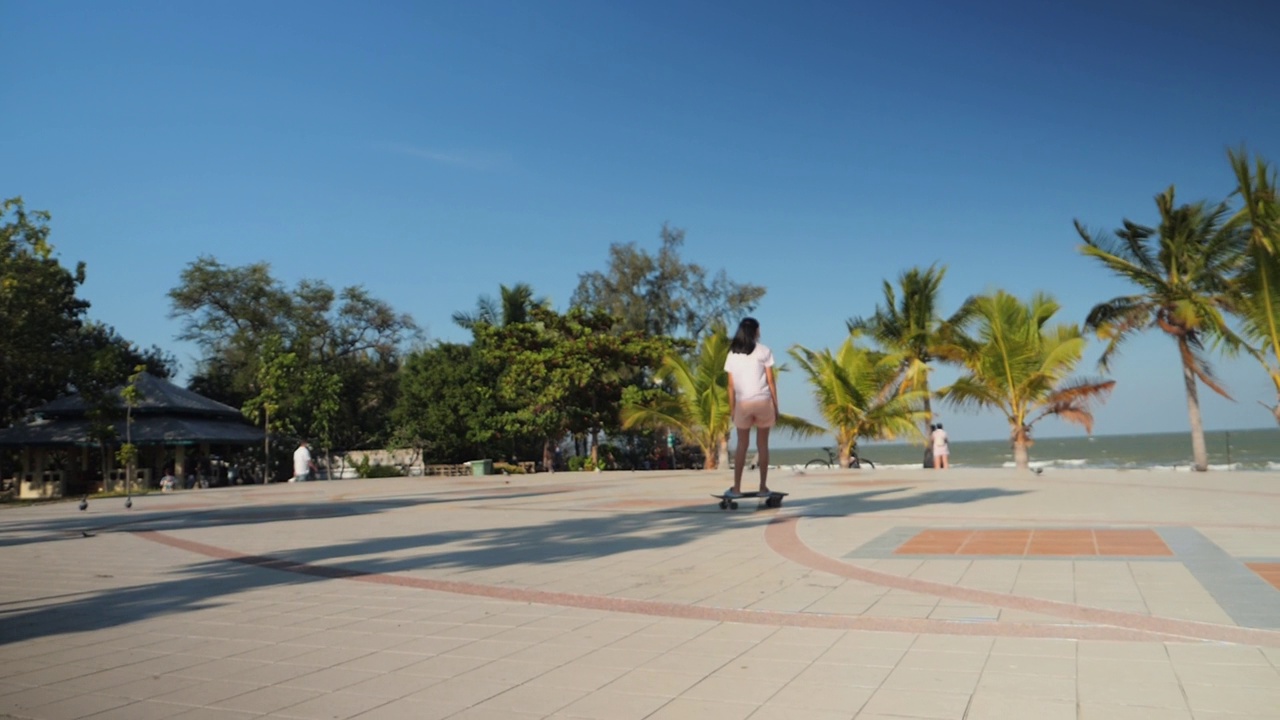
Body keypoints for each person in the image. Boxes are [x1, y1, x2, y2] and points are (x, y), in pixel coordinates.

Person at [723, 317, 778, 498]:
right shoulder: (764, 351)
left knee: (742, 445)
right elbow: (770, 381)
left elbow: (730, 386)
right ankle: (763, 487)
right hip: (763, 401)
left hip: (743, 404)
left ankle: (737, 488)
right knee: (763, 445)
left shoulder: (732, 355)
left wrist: (733, 409)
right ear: (755, 331)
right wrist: (775, 406)